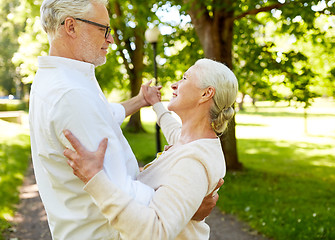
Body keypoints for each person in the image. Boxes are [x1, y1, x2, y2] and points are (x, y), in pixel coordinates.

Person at [30, 1, 218, 239]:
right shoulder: (71, 95)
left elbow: (102, 115)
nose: (111, 40)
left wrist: (140, 100)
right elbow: (121, 191)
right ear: (71, 27)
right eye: (104, 29)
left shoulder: (60, 79)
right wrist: (187, 204)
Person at [63, 58, 239, 239]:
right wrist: (155, 103)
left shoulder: (193, 160)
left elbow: (155, 232)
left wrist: (94, 178)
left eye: (185, 78)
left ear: (206, 93)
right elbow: (170, 127)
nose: (174, 85)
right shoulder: (188, 140)